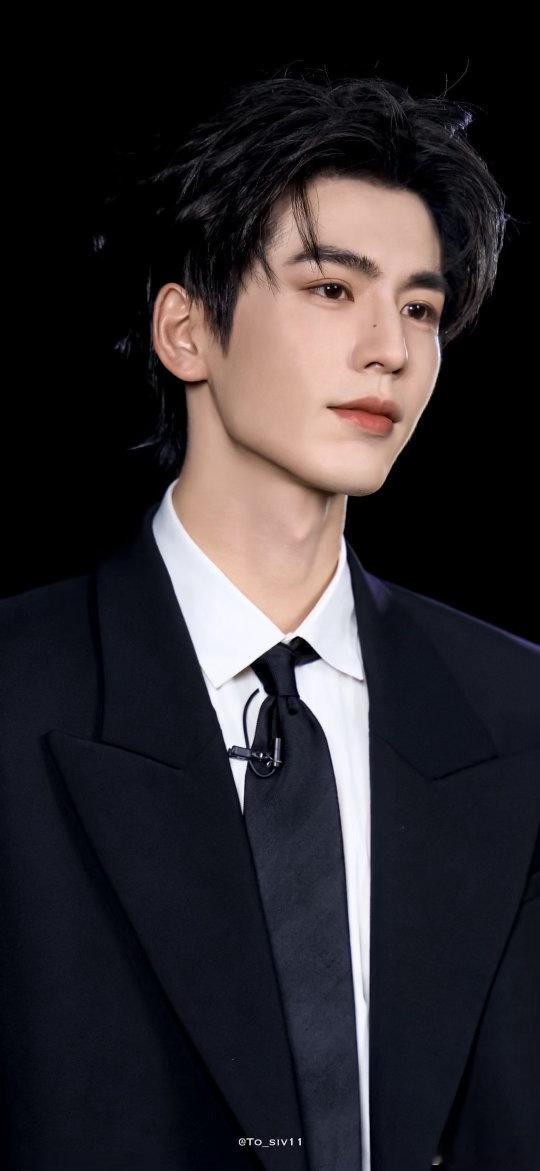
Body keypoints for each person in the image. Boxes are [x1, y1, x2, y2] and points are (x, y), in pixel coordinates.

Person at [1, 70, 539, 1171]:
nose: (391, 348)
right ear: (186, 330)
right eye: (333, 289)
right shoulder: (15, 690)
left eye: (422, 307)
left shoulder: (518, 709)